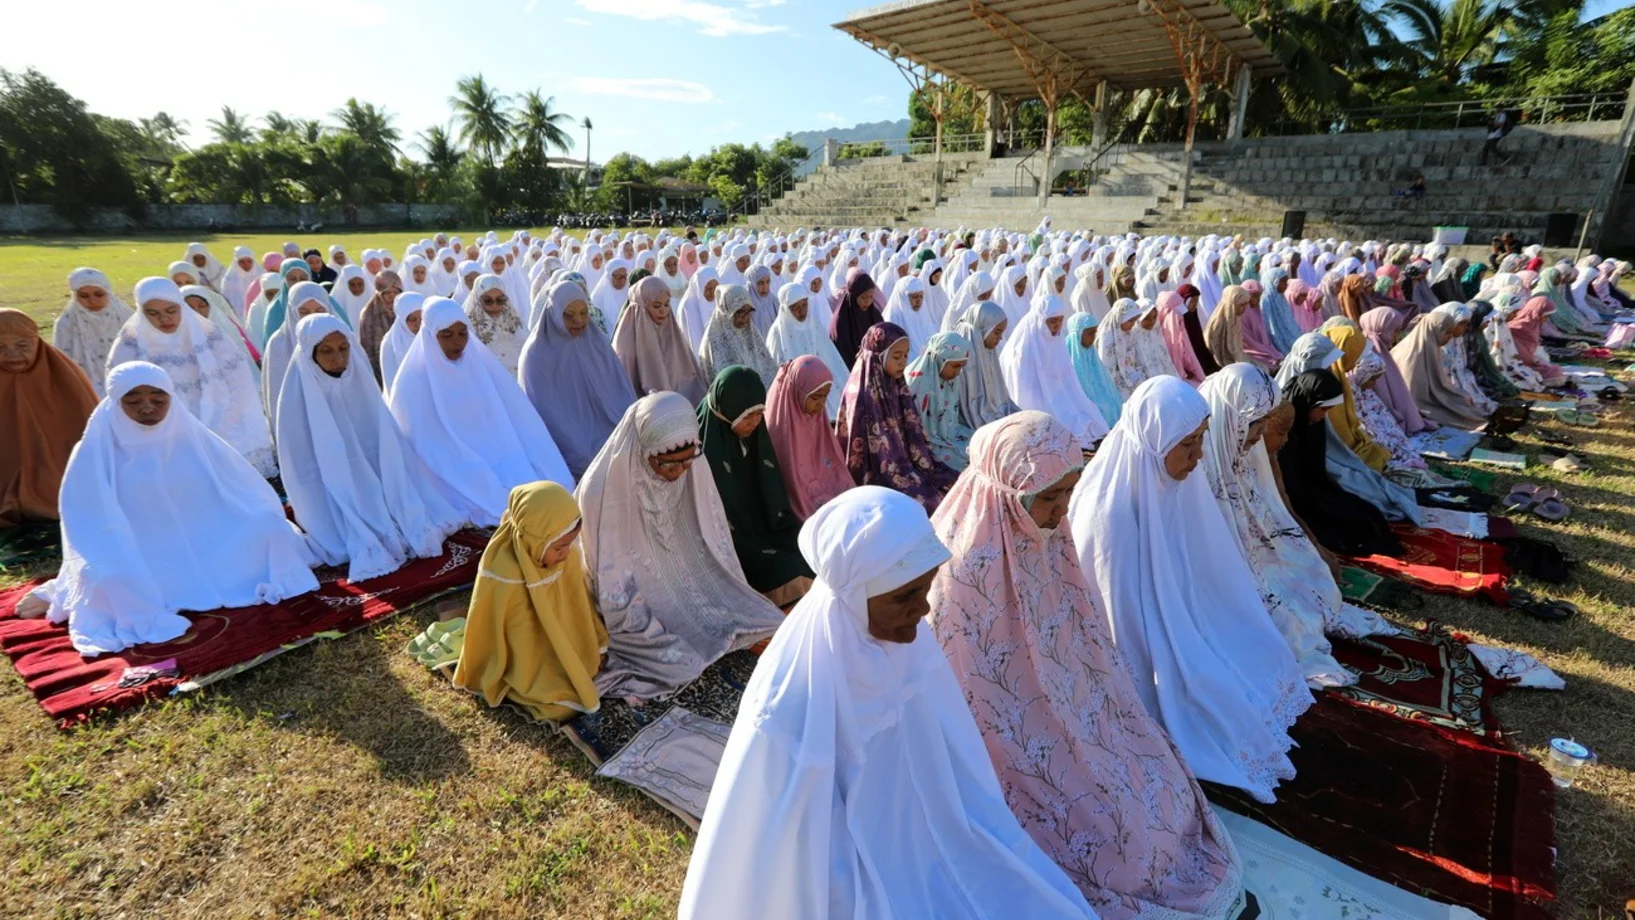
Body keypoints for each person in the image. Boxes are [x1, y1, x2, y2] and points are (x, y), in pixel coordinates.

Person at [678, 486, 1098, 920]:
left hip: (923, 839)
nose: (923, 609)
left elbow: (950, 766)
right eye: (903, 597)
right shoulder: (797, 694)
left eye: (925, 589)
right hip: (848, 861)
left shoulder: (910, 646)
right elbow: (797, 850)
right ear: (855, 596)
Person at [931, 412, 1246, 918]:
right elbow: (979, 703)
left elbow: (1085, 642)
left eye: (1067, 493)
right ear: (1006, 493)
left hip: (1079, 709)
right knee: (1118, 850)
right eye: (1048, 498)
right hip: (1014, 747)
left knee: (1161, 793)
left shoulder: (1049, 534)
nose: (1060, 511)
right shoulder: (964, 575)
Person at [1068, 376, 1313, 803]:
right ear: (1153, 441)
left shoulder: (1172, 482)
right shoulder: (1110, 516)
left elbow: (1202, 572)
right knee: (1204, 696)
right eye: (1188, 444)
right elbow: (1120, 624)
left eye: (1201, 440)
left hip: (1177, 617)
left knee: (1255, 653)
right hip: (1138, 642)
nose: (1200, 455)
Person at [17, 362, 318, 656]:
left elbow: (240, 488)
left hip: (209, 537)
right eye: (133, 400)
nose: (147, 407)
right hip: (141, 548)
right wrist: (109, 557)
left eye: (158, 398)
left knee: (268, 526)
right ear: (114, 401)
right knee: (110, 578)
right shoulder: (94, 450)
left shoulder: (191, 435)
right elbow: (87, 522)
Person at [575, 392, 786, 701]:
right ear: (642, 450)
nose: (679, 472)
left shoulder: (692, 462)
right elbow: (609, 581)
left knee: (767, 620)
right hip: (638, 604)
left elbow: (712, 533)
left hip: (690, 581)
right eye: (668, 464)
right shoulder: (602, 493)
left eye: (687, 462)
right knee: (682, 665)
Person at [275, 314, 466, 582]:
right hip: (329, 485)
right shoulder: (297, 394)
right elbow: (299, 463)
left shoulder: (359, 380)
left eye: (343, 349)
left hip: (377, 474)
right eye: (326, 351)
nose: (337, 359)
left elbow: (386, 441)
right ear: (309, 353)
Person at [1199, 365, 1353, 687]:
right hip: (1224, 572)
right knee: (1282, 621)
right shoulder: (1200, 459)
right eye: (1257, 426)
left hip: (1257, 555)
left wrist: (1312, 549)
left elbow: (1273, 504)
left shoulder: (1244, 443)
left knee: (1313, 580)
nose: (1259, 436)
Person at [387, 297, 574, 526]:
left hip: (498, 452)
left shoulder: (480, 365)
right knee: (490, 500)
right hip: (449, 464)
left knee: (534, 487)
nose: (457, 342)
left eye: (462, 333)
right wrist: (470, 467)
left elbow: (514, 420)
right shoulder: (411, 381)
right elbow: (423, 443)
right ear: (430, 335)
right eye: (446, 335)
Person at [450, 482, 606, 722]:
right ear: (535, 540)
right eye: (559, 547)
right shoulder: (504, 572)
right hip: (528, 657)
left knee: (589, 670)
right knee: (561, 704)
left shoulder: (567, 557)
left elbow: (578, 608)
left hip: (564, 640)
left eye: (569, 544)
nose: (565, 553)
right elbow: (500, 633)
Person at [110, 277, 276, 477]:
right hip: (160, 434)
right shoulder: (128, 346)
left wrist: (218, 427)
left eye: (171, 311)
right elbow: (121, 397)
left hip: (222, 426)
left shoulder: (211, 338)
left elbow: (240, 386)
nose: (164, 319)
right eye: (153, 313)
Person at [697, 366, 814, 604]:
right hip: (731, 536)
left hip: (765, 524)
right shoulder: (704, 444)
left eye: (760, 413)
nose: (755, 422)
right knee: (784, 569)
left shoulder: (756, 431)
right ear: (727, 411)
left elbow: (771, 490)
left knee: (807, 546)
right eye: (747, 416)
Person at [518, 280, 637, 480]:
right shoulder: (536, 355)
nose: (579, 321)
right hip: (568, 444)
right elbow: (547, 415)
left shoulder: (594, 340)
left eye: (583, 313)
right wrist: (583, 446)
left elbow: (620, 389)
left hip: (609, 427)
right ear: (554, 313)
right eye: (569, 315)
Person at [1276, 369, 1403, 556]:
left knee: (1369, 513)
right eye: (1323, 409)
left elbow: (1316, 471)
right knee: (1346, 525)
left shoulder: (1313, 424)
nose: (1323, 416)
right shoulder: (1283, 426)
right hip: (1292, 498)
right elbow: (1289, 482)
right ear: (1309, 402)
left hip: (1312, 488)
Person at [836, 323, 959, 513]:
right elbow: (865, 458)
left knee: (957, 485)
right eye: (896, 356)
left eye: (905, 355)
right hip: (879, 473)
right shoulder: (861, 394)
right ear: (879, 356)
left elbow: (912, 428)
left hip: (906, 464)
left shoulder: (896, 383)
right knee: (931, 505)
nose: (903, 362)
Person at [1, 308, 97, 528]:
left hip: (57, 479)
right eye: (0, 347)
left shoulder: (65, 377)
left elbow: (85, 432)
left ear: (37, 342)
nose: (12, 354)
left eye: (23, 346)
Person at [1000, 294, 1108, 448]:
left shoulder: (1056, 340)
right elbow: (1023, 392)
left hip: (1056, 394)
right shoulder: (1022, 348)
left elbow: (1067, 379)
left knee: (1082, 417)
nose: (1057, 326)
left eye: (1059, 321)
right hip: (1035, 401)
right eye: (1052, 322)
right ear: (1040, 320)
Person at [764, 356, 853, 520]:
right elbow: (790, 479)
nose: (821, 404)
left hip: (824, 484)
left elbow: (830, 462)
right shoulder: (780, 427)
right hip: (800, 494)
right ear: (797, 392)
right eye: (815, 397)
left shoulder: (818, 415)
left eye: (825, 397)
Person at [1391, 304, 1495, 429]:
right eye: (1447, 333)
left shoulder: (1433, 347)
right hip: (1417, 402)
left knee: (1463, 400)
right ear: (1435, 330)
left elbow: (1440, 382)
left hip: (1431, 395)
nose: (1450, 337)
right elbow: (1413, 395)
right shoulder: (1413, 354)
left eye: (1451, 332)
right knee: (1453, 412)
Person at [612, 275, 709, 403]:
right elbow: (624, 390)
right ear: (642, 307)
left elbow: (689, 379)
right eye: (656, 306)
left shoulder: (672, 333)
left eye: (666, 304)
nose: (663, 311)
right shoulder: (625, 344)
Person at [765, 281, 847, 419]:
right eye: (795, 308)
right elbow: (775, 372)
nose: (802, 311)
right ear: (785, 309)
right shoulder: (777, 334)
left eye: (804, 305)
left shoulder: (813, 324)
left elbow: (830, 358)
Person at [262, 281, 334, 436]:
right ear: (292, 312)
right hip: (299, 425)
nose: (312, 317)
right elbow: (276, 397)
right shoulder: (279, 344)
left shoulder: (341, 337)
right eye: (304, 312)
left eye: (319, 310)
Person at [53, 268, 134, 398]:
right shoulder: (66, 323)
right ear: (75, 296)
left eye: (99, 294)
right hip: (85, 389)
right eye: (84, 296)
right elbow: (61, 363)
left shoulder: (126, 317)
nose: (92, 300)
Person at [905, 331, 976, 470]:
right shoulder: (916, 383)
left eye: (961, 366)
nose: (958, 372)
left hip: (949, 433)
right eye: (955, 366)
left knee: (981, 443)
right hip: (924, 442)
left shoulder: (947, 379)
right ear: (939, 359)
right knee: (966, 463)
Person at [951, 299, 1019, 428]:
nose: (1000, 338)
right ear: (982, 329)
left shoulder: (987, 351)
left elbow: (999, 400)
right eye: (997, 332)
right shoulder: (959, 359)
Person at [699, 283, 778, 387]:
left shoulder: (751, 333)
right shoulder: (713, 341)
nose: (745, 318)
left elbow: (768, 368)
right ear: (726, 310)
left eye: (748, 311)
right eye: (739, 312)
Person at [461, 274, 528, 376]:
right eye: (487, 300)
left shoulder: (516, 327)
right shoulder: (467, 332)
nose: (494, 305)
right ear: (477, 299)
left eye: (500, 300)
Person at [1066, 312, 1123, 427]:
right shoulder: (1067, 357)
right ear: (1078, 334)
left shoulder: (1092, 354)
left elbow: (1105, 383)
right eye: (1090, 333)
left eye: (1095, 333)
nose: (1093, 337)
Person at [828, 268, 884, 368]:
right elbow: (843, 356)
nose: (868, 301)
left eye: (871, 297)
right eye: (863, 297)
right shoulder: (840, 322)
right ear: (854, 296)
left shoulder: (874, 315)